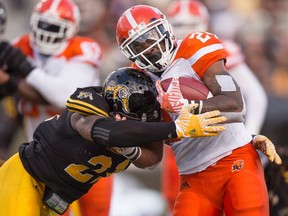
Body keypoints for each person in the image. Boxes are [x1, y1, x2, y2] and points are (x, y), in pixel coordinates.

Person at [115, 5, 281, 215]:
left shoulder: (194, 48)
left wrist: (188, 107)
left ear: (165, 28)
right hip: (193, 175)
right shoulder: (138, 82)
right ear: (130, 53)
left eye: (152, 37)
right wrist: (127, 147)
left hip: (235, 158)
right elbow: (153, 157)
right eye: (138, 45)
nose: (149, 47)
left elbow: (235, 103)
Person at [0, 66, 227, 216]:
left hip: (57, 196)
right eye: (138, 117)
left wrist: (130, 149)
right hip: (26, 176)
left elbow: (152, 159)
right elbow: (103, 132)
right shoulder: (91, 103)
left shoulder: (138, 126)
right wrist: (174, 128)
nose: (143, 124)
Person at [0, 0, 112, 215]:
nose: (46, 32)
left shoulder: (83, 49)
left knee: (96, 211)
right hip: (44, 158)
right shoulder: (19, 46)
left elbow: (64, 96)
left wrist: (22, 72)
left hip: (89, 156)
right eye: (42, 25)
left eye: (53, 27)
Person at [161, 0, 270, 212]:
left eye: (192, 25)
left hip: (226, 146)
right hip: (186, 148)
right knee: (173, 201)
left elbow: (252, 96)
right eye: (179, 25)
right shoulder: (158, 61)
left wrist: (250, 136)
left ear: (204, 24)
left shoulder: (210, 49)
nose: (185, 31)